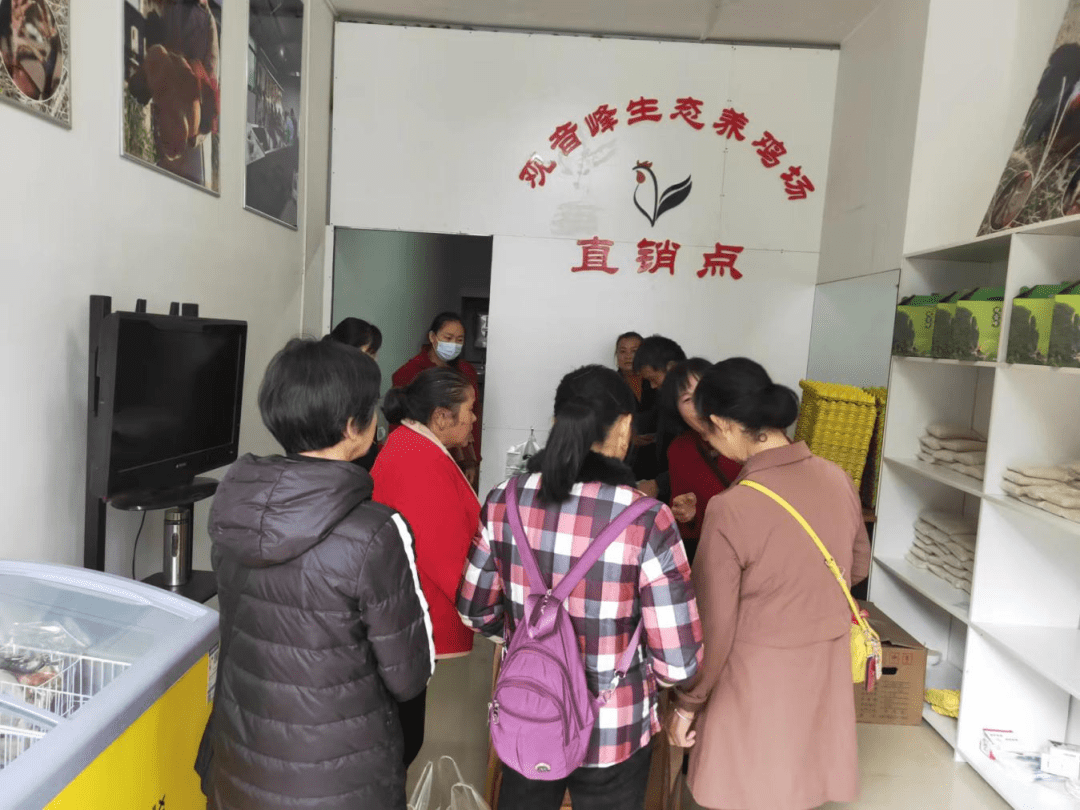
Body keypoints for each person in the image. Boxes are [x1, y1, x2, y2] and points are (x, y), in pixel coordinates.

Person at [200, 338, 434, 810]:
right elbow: (409, 675)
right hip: (339, 781)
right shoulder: (376, 532)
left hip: (240, 763)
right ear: (351, 427)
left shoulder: (234, 508)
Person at [458, 364, 704, 810]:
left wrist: (527, 639)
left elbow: (473, 611)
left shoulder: (503, 500)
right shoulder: (648, 518)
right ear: (625, 427)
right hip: (613, 727)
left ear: (558, 423)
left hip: (528, 711)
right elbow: (676, 661)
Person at [665, 358, 870, 810]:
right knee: (802, 790)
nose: (710, 442)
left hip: (754, 680)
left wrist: (688, 703)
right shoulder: (837, 478)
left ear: (723, 423)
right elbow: (857, 566)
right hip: (825, 669)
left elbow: (715, 627)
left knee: (747, 791)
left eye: (709, 432)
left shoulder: (731, 508)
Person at [371, 367, 482, 768]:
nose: (473, 418)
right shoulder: (419, 461)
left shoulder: (414, 445)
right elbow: (444, 555)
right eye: (469, 409)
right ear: (441, 417)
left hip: (402, 619)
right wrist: (493, 611)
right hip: (412, 621)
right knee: (403, 739)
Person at [661, 359, 742, 563]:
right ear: (676, 409)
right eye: (688, 399)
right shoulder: (680, 450)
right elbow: (685, 526)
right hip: (718, 555)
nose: (700, 404)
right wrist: (688, 516)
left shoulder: (750, 433)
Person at [392, 312, 482, 488]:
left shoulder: (467, 372)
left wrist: (471, 461)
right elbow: (399, 421)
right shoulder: (410, 372)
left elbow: (474, 418)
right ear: (432, 337)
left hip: (460, 459)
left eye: (459, 340)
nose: (453, 344)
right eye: (448, 338)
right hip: (420, 457)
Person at [630, 335, 686, 496]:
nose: (653, 386)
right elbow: (652, 417)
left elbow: (695, 460)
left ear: (671, 367)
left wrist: (659, 484)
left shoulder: (693, 404)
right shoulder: (667, 395)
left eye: (654, 379)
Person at [326, 318, 384, 471]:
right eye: (368, 353)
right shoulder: (328, 389)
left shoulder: (367, 383)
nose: (373, 360)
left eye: (374, 354)